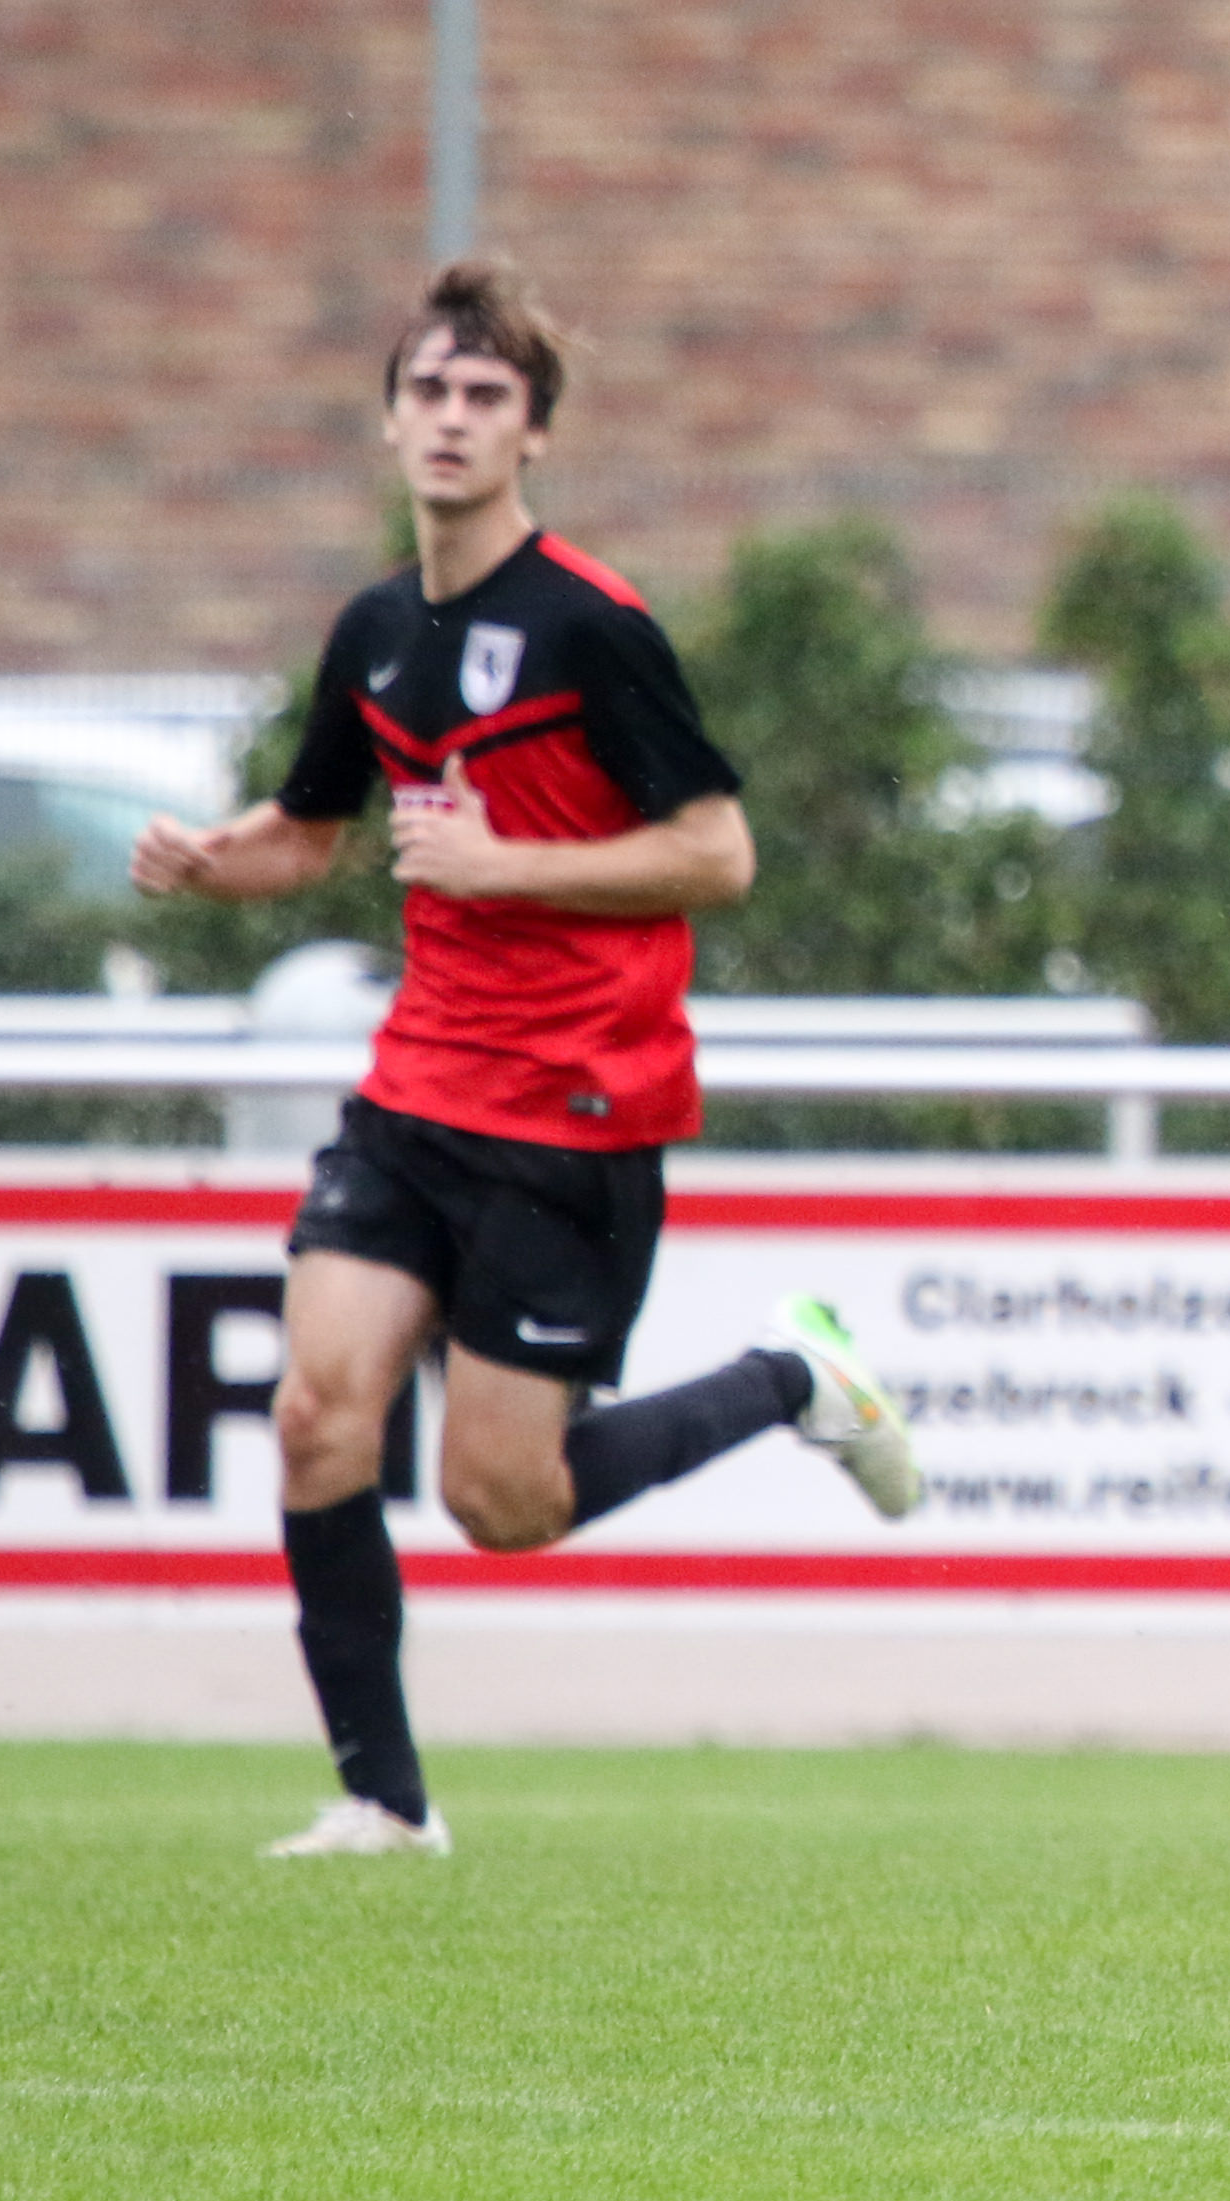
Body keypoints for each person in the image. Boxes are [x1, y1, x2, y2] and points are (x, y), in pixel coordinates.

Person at [127, 262, 918, 1860]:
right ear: (388, 419)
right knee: (317, 1415)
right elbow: (315, 831)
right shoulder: (374, 630)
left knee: (506, 1504)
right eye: (428, 390)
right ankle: (382, 1800)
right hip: (415, 1092)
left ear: (533, 436)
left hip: (576, 1107)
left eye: (486, 397)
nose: (452, 419)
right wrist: (216, 862)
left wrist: (508, 869)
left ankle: (791, 1377)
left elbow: (718, 853)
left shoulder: (591, 625)